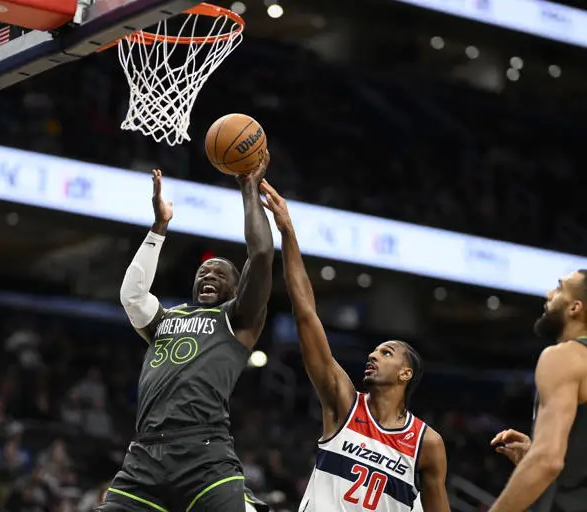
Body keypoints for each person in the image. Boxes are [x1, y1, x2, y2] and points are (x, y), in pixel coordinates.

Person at [259, 181, 449, 512]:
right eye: (374, 350)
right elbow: (305, 313)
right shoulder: (343, 403)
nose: (373, 355)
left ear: (406, 373)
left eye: (386, 352)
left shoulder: (428, 444)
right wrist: (288, 232)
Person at [100, 156, 273, 512]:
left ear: (238, 288)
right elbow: (132, 296)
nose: (208, 274)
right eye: (202, 271)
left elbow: (261, 254)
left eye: (219, 272)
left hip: (204, 455)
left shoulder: (237, 318)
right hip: (144, 456)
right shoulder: (166, 318)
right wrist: (159, 227)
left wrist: (249, 189)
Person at [490, 270, 587, 512]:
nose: (549, 294)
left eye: (559, 288)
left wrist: (539, 456)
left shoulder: (564, 357)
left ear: (575, 307)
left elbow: (548, 461)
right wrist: (535, 453)